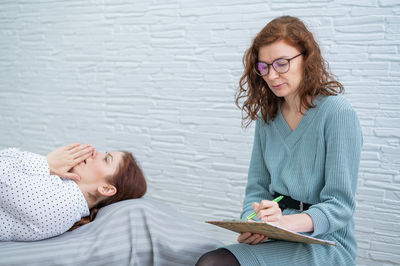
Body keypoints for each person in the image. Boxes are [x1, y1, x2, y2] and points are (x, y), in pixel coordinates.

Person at [196, 16, 362, 266]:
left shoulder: (337, 113)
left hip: (326, 243)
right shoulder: (268, 117)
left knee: (215, 263)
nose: (272, 75)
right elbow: (257, 188)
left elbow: (339, 207)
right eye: (264, 67)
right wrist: (253, 222)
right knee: (212, 258)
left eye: (281, 64)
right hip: (277, 235)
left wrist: (284, 223)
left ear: (307, 58)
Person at [0, 143, 147, 241]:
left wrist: (46, 163)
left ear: (106, 189)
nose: (94, 152)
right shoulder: (60, 186)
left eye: (106, 159)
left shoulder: (61, 204)